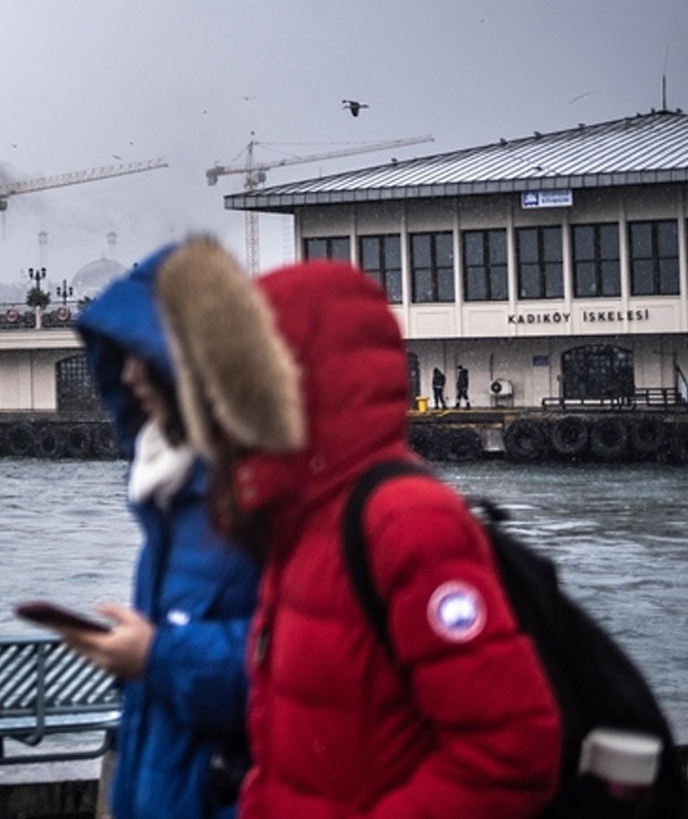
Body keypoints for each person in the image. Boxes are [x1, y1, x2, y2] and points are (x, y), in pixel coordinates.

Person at [152, 238, 560, 818]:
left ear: (296, 381)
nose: (224, 406)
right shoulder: (297, 526)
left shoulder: (407, 524)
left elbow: (512, 749)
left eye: (240, 381)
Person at [46, 246, 258, 819]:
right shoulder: (172, 500)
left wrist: (156, 657)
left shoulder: (257, 500)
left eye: (142, 356)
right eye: (121, 358)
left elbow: (303, 668)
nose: (128, 375)